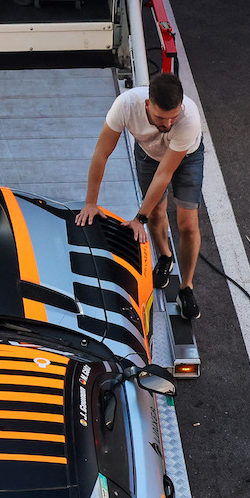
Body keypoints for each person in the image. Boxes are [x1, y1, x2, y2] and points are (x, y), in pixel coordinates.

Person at [75, 72, 208, 318]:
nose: (167, 124)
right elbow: (101, 153)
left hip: (187, 158)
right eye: (161, 117)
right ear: (147, 104)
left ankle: (186, 288)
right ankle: (165, 257)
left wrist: (139, 218)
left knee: (187, 224)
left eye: (173, 117)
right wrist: (90, 203)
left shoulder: (188, 119)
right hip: (149, 155)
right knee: (157, 213)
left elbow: (165, 175)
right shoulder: (126, 105)